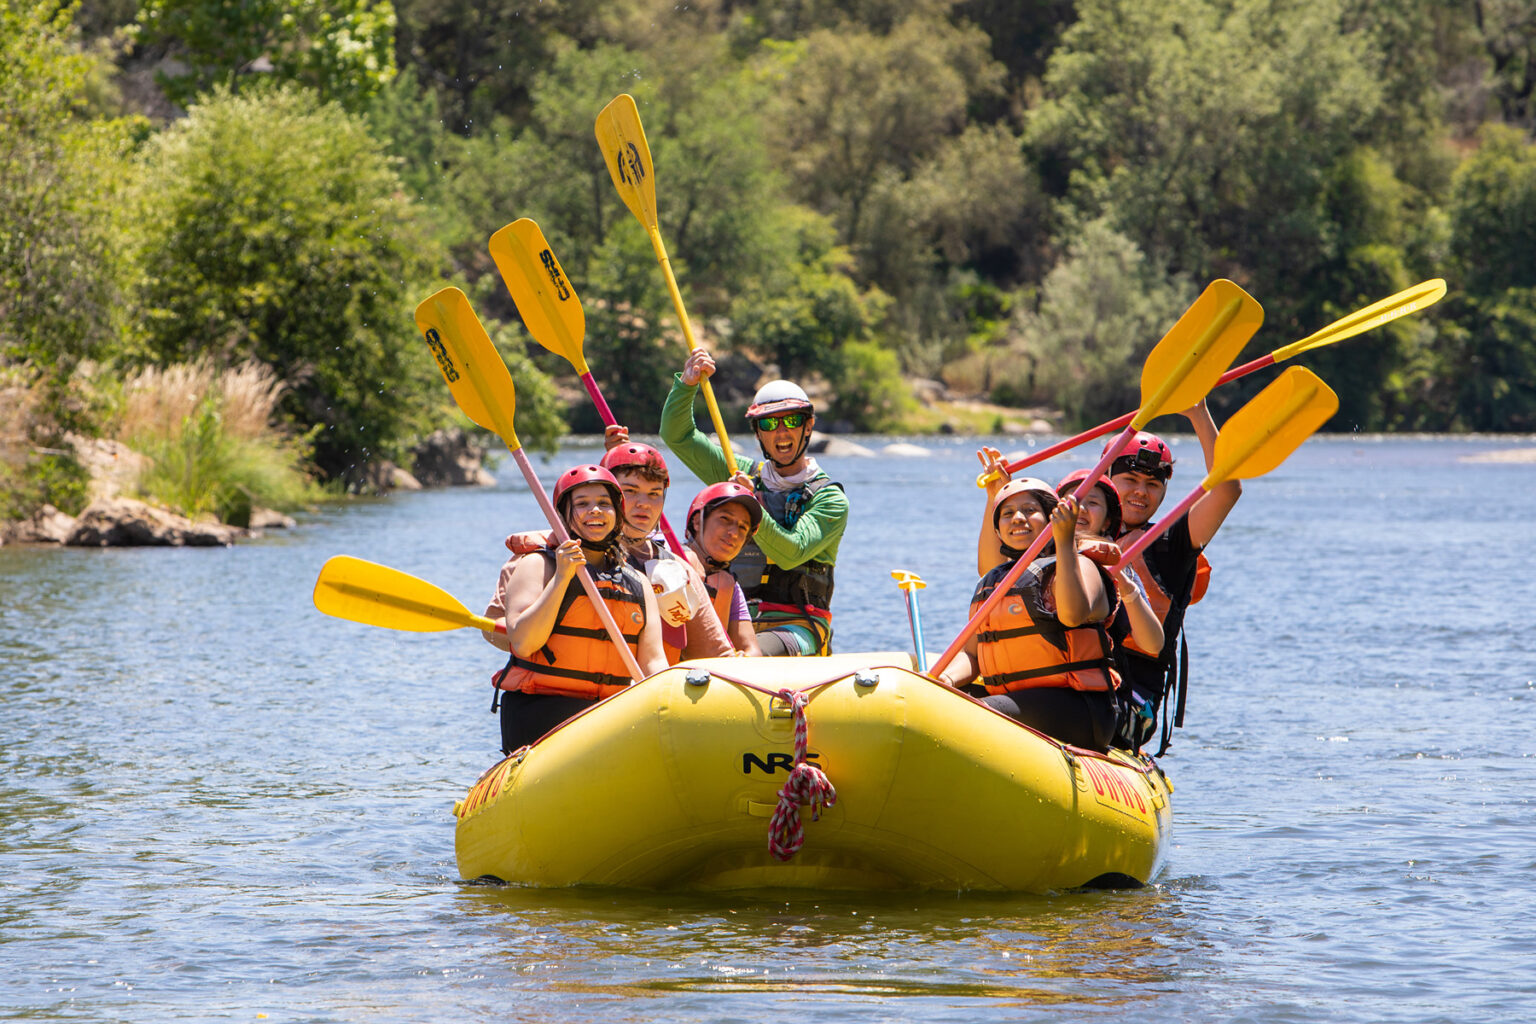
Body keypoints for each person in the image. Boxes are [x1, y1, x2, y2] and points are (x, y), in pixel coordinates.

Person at [659, 349, 849, 656]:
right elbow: (677, 436)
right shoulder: (738, 471)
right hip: (733, 617)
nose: (782, 431)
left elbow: (792, 553)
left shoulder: (830, 499)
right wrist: (688, 385)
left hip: (798, 625)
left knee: (752, 653)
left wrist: (750, 503)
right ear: (758, 433)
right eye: (769, 424)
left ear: (808, 426)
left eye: (791, 421)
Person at [484, 441, 733, 664]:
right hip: (560, 697)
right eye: (631, 491)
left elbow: (715, 654)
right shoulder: (543, 556)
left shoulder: (676, 569)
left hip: (643, 697)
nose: (644, 503)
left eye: (654, 494)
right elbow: (497, 633)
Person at [489, 464, 668, 754]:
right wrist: (562, 577)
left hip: (609, 715)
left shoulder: (637, 584)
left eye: (604, 504)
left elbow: (653, 663)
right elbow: (523, 642)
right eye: (582, 504)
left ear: (617, 514)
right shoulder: (538, 566)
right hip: (543, 715)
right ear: (562, 516)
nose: (595, 511)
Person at [937, 477, 1121, 753]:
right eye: (1008, 514)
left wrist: (1065, 542)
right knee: (940, 703)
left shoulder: (1082, 564)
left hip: (1079, 708)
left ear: (1051, 520)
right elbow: (973, 654)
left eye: (1029, 510)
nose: (1018, 518)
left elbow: (1073, 616)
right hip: (1016, 700)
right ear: (998, 530)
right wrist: (946, 681)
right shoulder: (994, 583)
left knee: (972, 713)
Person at [1105, 400, 1236, 753]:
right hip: (1072, 677)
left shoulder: (1171, 542)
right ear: (1105, 480)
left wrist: (1198, 414)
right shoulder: (1072, 528)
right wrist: (998, 494)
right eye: (1129, 479)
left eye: (1152, 484)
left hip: (1129, 699)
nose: (1140, 492)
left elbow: (1227, 490)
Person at [682, 481, 765, 656]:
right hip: (667, 674)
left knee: (723, 582)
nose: (734, 533)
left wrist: (746, 659)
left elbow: (752, 649)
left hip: (708, 673)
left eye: (743, 527)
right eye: (725, 519)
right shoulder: (670, 562)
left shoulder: (730, 587)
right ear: (697, 522)